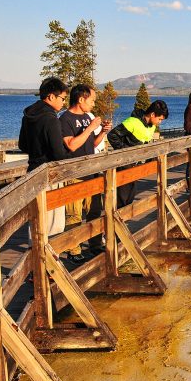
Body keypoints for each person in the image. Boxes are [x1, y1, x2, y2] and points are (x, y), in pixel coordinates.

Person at [60, 84, 112, 262]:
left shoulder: (86, 117)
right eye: (92, 100)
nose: (93, 104)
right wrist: (90, 128)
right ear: (81, 99)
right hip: (74, 173)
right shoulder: (65, 119)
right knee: (74, 214)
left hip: (92, 171)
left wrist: (103, 132)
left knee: (94, 211)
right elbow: (72, 145)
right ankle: (73, 250)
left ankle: (95, 244)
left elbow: (93, 144)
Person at [18, 77, 70, 235]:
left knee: (36, 219)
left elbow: (23, 145)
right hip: (50, 174)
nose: (63, 103)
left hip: (33, 170)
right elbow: (58, 154)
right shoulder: (51, 119)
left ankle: (35, 255)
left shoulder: (28, 116)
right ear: (51, 96)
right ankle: (48, 257)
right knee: (54, 223)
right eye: (62, 98)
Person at [107, 100, 169, 207]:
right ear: (152, 114)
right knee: (122, 199)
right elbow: (112, 135)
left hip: (135, 165)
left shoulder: (151, 126)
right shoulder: (132, 122)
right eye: (159, 119)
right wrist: (126, 152)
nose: (160, 122)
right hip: (124, 165)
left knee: (130, 196)